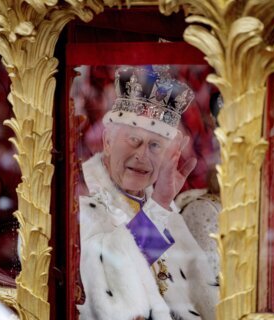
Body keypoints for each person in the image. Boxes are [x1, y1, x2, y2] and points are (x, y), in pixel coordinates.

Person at [78, 66, 218, 320]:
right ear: (108, 141)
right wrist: (159, 206)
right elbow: (109, 284)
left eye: (155, 145)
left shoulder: (164, 208)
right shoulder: (83, 202)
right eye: (134, 140)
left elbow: (203, 297)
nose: (142, 155)